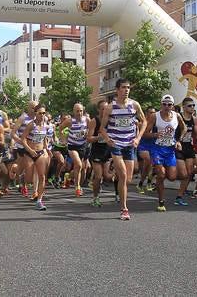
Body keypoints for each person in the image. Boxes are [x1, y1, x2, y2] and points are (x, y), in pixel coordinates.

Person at [99, 79, 147, 220]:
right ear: (117, 89)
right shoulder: (110, 107)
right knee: (124, 176)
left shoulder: (134, 105)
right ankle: (124, 209)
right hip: (116, 144)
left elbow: (144, 121)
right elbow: (102, 128)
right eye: (123, 87)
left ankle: (116, 176)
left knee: (128, 179)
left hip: (130, 144)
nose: (126, 90)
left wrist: (138, 138)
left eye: (128, 87)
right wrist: (108, 139)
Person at [143, 95, 185, 211]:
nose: (167, 106)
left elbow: (184, 128)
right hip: (157, 148)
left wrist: (179, 141)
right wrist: (155, 134)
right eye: (164, 104)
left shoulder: (177, 116)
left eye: (169, 104)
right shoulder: (154, 116)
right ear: (161, 104)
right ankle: (161, 202)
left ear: (173, 106)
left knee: (172, 177)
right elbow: (145, 133)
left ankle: (156, 175)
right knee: (161, 174)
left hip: (170, 150)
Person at [21, 103, 53, 210]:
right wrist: (30, 150)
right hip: (30, 153)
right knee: (29, 179)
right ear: (35, 113)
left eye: (44, 113)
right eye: (40, 113)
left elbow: (44, 138)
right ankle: (23, 179)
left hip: (40, 153)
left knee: (42, 176)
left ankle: (39, 200)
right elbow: (23, 139)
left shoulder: (45, 125)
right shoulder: (31, 125)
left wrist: (47, 149)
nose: (42, 115)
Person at [62, 103, 92, 197]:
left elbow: (91, 129)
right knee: (78, 164)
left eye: (81, 111)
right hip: (72, 146)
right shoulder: (69, 121)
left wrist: (88, 135)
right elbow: (60, 129)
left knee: (81, 168)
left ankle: (68, 177)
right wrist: (64, 139)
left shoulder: (87, 120)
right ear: (74, 111)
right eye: (77, 111)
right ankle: (77, 187)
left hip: (83, 146)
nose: (79, 113)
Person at [174, 98, 197, 205]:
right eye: (189, 106)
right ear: (184, 107)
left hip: (188, 146)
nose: (192, 107)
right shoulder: (178, 117)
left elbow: (195, 134)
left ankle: (179, 196)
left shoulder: (194, 119)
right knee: (183, 173)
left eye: (193, 105)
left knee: (188, 173)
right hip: (178, 147)